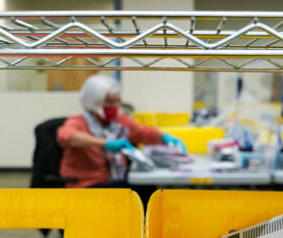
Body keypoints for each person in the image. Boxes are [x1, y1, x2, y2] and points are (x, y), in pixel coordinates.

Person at [56, 74, 186, 208]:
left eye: (117, 101)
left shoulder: (118, 121)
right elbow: (66, 137)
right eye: (109, 102)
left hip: (113, 181)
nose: (115, 106)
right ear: (94, 102)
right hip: (86, 186)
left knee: (149, 191)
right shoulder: (77, 122)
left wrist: (164, 138)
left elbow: (142, 132)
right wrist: (106, 144)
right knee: (143, 195)